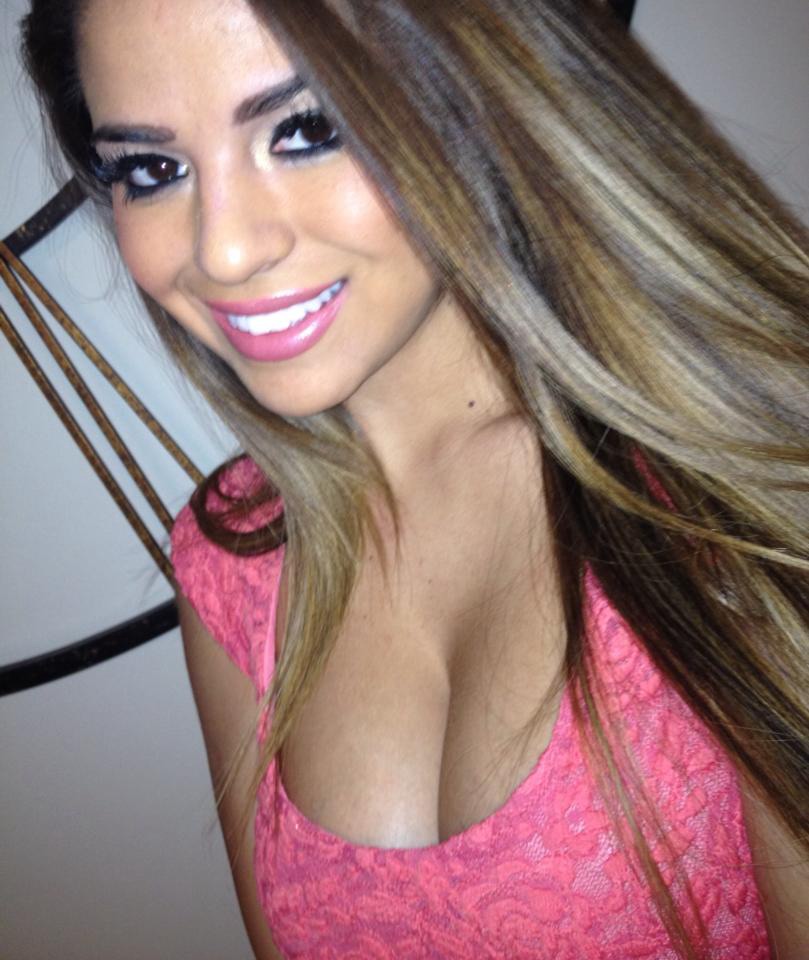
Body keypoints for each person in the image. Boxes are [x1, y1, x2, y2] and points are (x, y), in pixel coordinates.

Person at [22, 0, 809, 956]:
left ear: (478, 89)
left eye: (308, 127)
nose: (222, 248)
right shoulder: (233, 560)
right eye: (152, 170)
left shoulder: (732, 499)